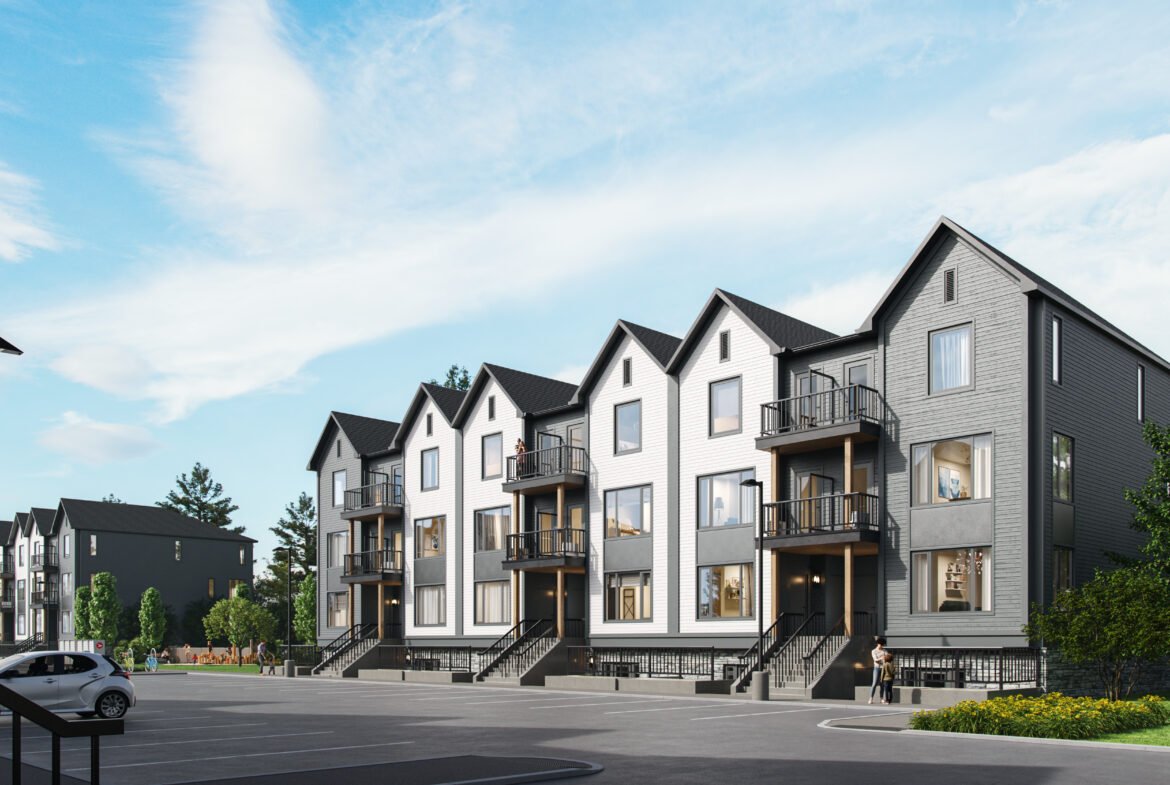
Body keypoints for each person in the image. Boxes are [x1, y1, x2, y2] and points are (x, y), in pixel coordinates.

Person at [868, 637, 886, 704]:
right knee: (874, 683)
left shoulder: (884, 651)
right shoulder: (873, 651)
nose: (881, 646)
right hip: (876, 668)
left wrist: (881, 660)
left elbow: (886, 659)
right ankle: (871, 698)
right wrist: (882, 658)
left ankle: (881, 698)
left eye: (882, 644)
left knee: (882, 684)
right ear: (878, 643)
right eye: (880, 644)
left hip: (883, 669)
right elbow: (875, 660)